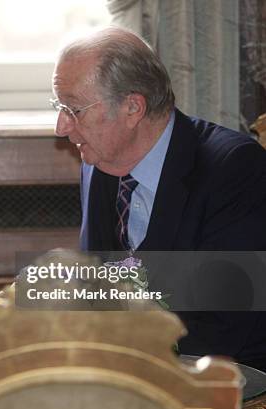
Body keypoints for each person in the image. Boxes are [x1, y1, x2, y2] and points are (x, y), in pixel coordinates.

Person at [52, 28, 266, 368]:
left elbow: (221, 328)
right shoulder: (99, 158)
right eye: (60, 106)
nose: (61, 127)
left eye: (74, 109)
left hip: (227, 384)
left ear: (133, 108)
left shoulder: (234, 169)